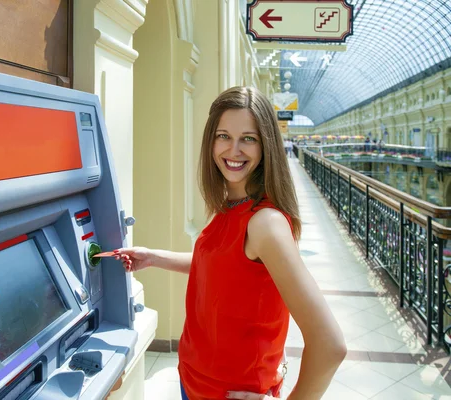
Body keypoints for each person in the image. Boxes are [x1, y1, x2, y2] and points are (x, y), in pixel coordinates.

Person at [115, 87, 346, 399]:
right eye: (223, 136)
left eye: (248, 139)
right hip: (192, 381)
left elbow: (329, 345)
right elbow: (221, 266)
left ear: (266, 146)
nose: (233, 149)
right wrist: (152, 257)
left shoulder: (265, 224)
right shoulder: (232, 205)